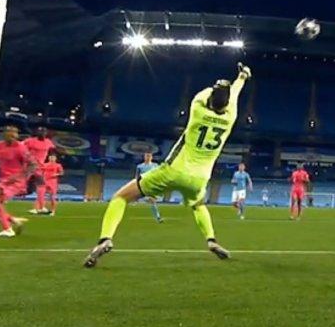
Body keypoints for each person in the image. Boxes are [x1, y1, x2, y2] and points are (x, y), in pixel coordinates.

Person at [84, 63, 251, 267]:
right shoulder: (230, 117)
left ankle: (105, 239)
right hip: (199, 180)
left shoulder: (198, 108)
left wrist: (219, 87)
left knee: (120, 197)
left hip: (173, 170)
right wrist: (242, 77)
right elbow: (234, 94)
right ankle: (211, 240)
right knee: (198, 206)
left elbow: (209, 94)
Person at [0, 125, 35, 238]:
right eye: (11, 133)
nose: (14, 136)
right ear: (5, 134)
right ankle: (12, 219)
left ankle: (8, 229)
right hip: (3, 180)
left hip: (15, 181)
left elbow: (32, 164)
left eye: (15, 134)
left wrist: (22, 177)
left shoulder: (21, 148)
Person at [21, 126, 56, 212]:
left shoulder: (48, 142)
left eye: (43, 132)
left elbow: (53, 150)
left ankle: (41, 207)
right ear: (37, 133)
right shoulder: (30, 141)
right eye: (40, 132)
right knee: (21, 185)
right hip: (29, 165)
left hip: (39, 167)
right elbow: (20, 146)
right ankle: (3, 197)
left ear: (46, 133)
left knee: (41, 185)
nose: (42, 133)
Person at [135, 152, 163, 222]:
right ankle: (158, 217)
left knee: (152, 201)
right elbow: (137, 177)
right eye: (146, 156)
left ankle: (158, 217)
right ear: (144, 157)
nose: (148, 157)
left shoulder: (155, 165)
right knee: (151, 200)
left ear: (151, 157)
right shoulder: (140, 166)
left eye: (149, 156)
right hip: (143, 185)